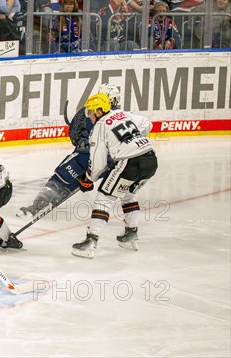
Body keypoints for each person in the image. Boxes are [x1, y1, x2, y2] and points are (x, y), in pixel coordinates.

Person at [72, 92, 157, 259]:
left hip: (129, 162)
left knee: (104, 198)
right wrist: (128, 142)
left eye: (90, 112)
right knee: (128, 194)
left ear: (98, 111)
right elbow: (147, 123)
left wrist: (88, 180)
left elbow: (98, 164)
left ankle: (90, 242)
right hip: (151, 159)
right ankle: (131, 234)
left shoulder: (99, 127)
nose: (88, 117)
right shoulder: (123, 114)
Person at [19, 84, 122, 220]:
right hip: (109, 162)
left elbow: (74, 134)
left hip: (84, 155)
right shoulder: (122, 116)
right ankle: (129, 221)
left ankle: (36, 207)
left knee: (58, 180)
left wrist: (81, 145)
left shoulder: (87, 110)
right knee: (114, 188)